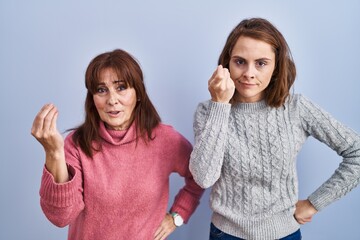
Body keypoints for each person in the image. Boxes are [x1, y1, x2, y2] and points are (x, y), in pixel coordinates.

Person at [189, 18, 360, 240]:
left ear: (276, 65)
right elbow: (204, 178)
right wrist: (220, 105)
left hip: (284, 234)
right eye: (240, 61)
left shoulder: (297, 108)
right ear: (226, 64)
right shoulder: (208, 111)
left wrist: (314, 203)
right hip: (225, 234)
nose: (249, 73)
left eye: (261, 63)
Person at [31, 49, 204, 240]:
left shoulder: (165, 139)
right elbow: (61, 217)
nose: (112, 100)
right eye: (101, 90)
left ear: (138, 93)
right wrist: (54, 153)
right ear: (93, 99)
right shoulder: (76, 144)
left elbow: (200, 175)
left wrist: (177, 216)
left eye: (121, 88)